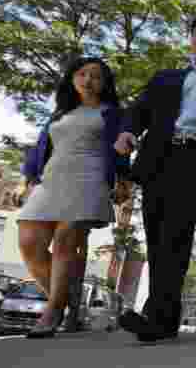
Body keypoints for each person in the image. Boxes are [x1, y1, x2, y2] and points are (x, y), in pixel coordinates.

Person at [115, 15, 196, 344]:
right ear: (191, 41)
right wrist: (128, 132)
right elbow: (139, 110)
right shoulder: (166, 79)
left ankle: (156, 317)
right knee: (158, 236)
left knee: (176, 235)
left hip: (195, 165)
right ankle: (165, 317)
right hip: (159, 160)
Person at [17, 57, 131, 338]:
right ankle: (65, 300)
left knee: (66, 240)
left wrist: (123, 182)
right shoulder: (59, 113)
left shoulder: (112, 113)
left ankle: (52, 310)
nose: (88, 80)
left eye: (96, 76)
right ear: (72, 78)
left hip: (90, 179)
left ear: (105, 84)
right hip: (51, 179)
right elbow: (38, 150)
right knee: (29, 242)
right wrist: (24, 182)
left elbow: (122, 150)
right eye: (83, 74)